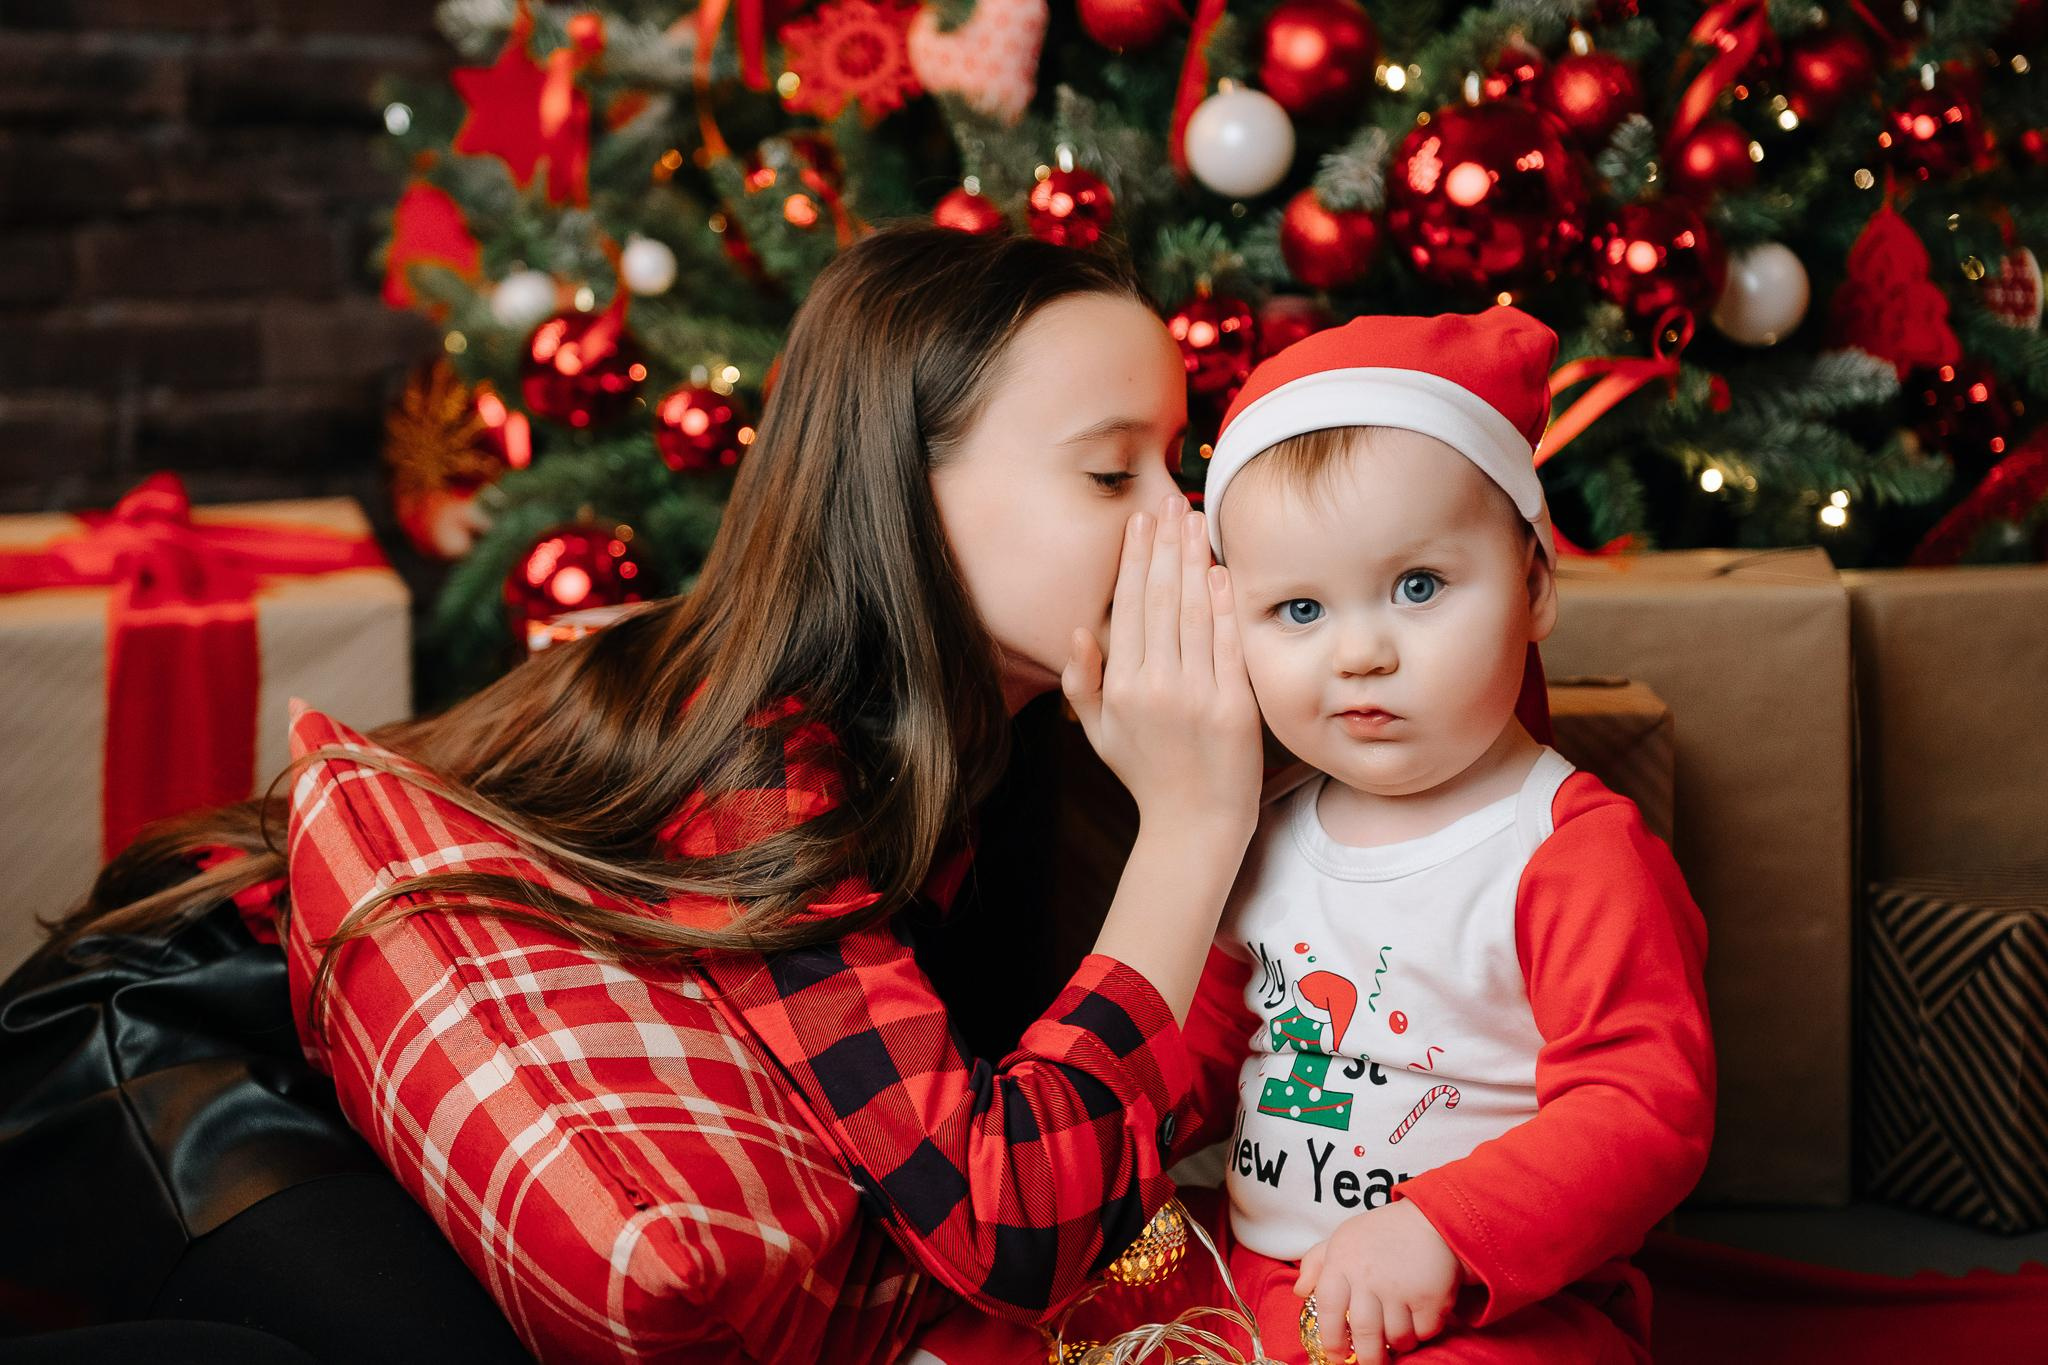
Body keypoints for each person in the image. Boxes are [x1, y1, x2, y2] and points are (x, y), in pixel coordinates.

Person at [9, 223, 1267, 1362]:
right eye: (1112, 477)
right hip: (197, 1041)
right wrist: (1192, 827)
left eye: (1178, 462)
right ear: (904, 496)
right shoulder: (767, 756)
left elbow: (1070, 1115)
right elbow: (1007, 1227)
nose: (1185, 524)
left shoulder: (1031, 734)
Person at [1142, 306, 1715, 1364]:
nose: (1359, 651)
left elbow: (1643, 1107)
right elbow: (1201, 1047)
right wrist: (1106, 1141)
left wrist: (1443, 1232)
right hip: (1264, 1278)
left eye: (1417, 588)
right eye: (1299, 611)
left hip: (1486, 1304)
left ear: (1533, 586)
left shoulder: (1567, 852)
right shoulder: (1258, 836)